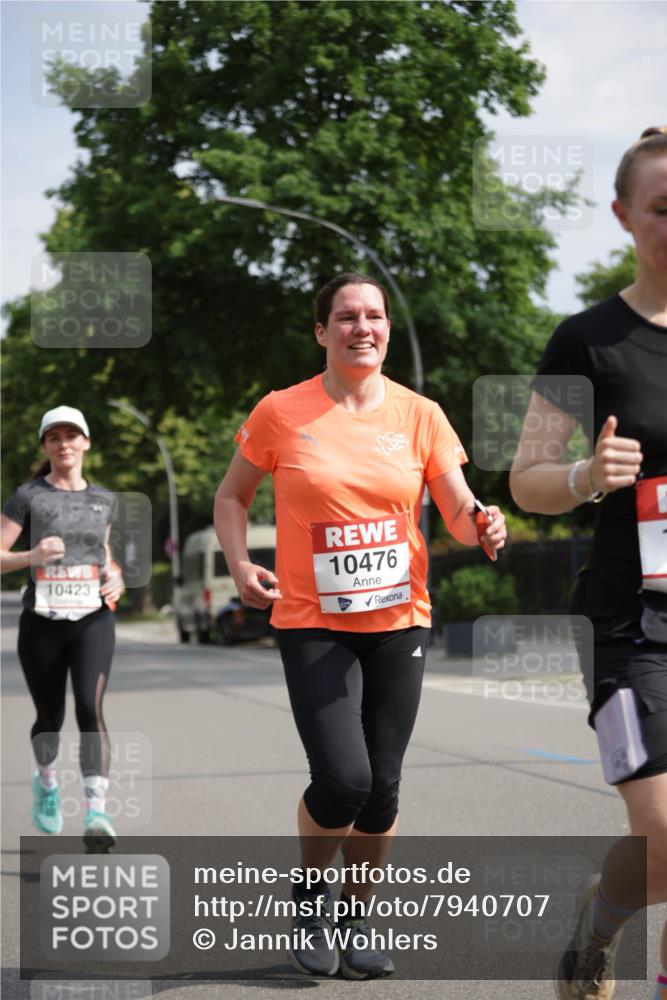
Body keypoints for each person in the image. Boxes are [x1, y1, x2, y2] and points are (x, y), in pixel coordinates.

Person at [214, 273, 507, 979]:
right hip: (312, 620)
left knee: (382, 789)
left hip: (399, 617)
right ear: (321, 332)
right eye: (345, 317)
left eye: (373, 315)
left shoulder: (420, 415)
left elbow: (459, 511)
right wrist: (236, 563)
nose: (363, 327)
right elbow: (231, 494)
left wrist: (485, 524)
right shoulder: (282, 412)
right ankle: (311, 897)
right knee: (342, 778)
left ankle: (354, 914)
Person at [510, 127, 667, 1000]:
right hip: (625, 625)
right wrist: (580, 474)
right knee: (661, 836)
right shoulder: (587, 341)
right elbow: (524, 481)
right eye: (661, 207)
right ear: (622, 216)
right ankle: (600, 924)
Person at [0, 406, 124, 849]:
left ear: (86, 442)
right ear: (46, 446)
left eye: (72, 435)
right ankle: (47, 782)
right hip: (43, 623)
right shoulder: (27, 496)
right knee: (50, 718)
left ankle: (96, 812)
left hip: (93, 617)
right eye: (54, 437)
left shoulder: (104, 499)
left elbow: (104, 553)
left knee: (90, 710)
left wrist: (116, 575)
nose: (64, 444)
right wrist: (31, 557)